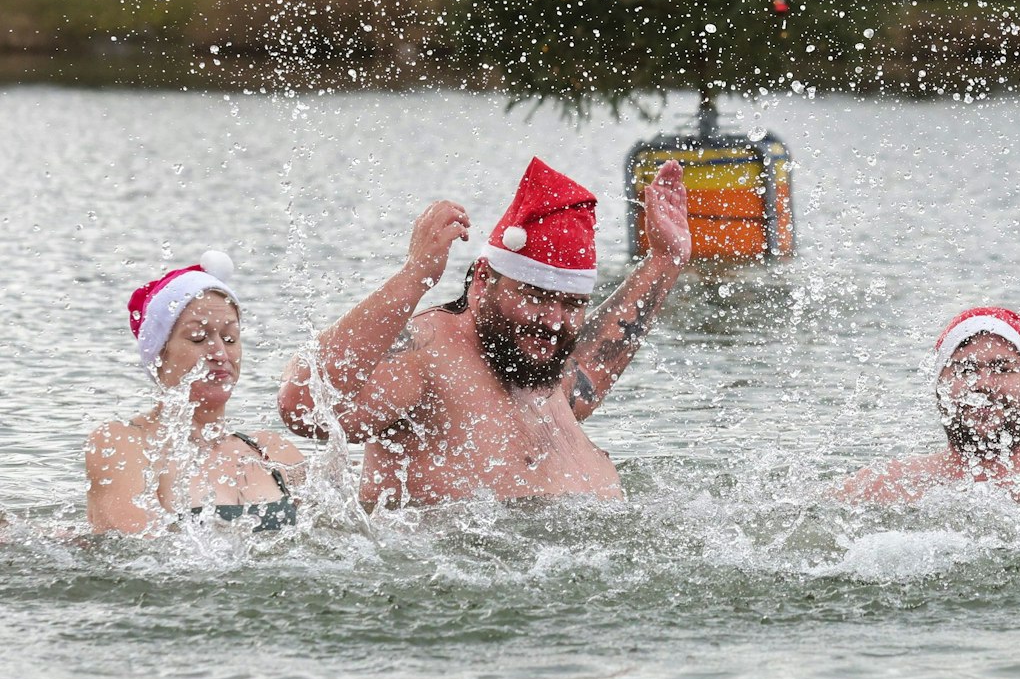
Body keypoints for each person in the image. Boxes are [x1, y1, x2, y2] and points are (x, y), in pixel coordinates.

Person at [276, 157, 692, 507]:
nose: (552, 321)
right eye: (536, 296)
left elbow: (586, 371)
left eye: (571, 304)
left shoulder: (534, 364)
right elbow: (307, 405)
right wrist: (414, 277)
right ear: (481, 279)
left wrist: (664, 262)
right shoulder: (428, 352)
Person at [88, 253, 306, 534]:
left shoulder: (269, 450)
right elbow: (134, 549)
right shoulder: (123, 443)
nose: (219, 353)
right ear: (159, 355)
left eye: (230, 338)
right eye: (198, 338)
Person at [838, 307, 1020, 511]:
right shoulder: (880, 488)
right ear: (939, 384)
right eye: (965, 369)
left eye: (1003, 368)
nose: (984, 385)